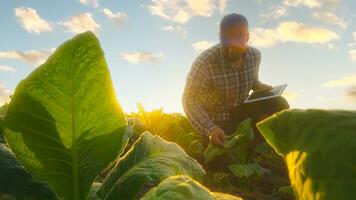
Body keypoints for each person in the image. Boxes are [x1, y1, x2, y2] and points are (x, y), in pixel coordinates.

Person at [182, 13, 289, 148]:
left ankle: (270, 142)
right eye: (226, 38)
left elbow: (253, 81)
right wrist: (210, 129)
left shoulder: (255, 56)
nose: (231, 45)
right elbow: (189, 99)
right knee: (223, 156)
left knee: (278, 103)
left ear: (247, 37)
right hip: (215, 117)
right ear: (220, 37)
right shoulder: (204, 63)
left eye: (238, 37)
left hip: (240, 109)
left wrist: (260, 86)